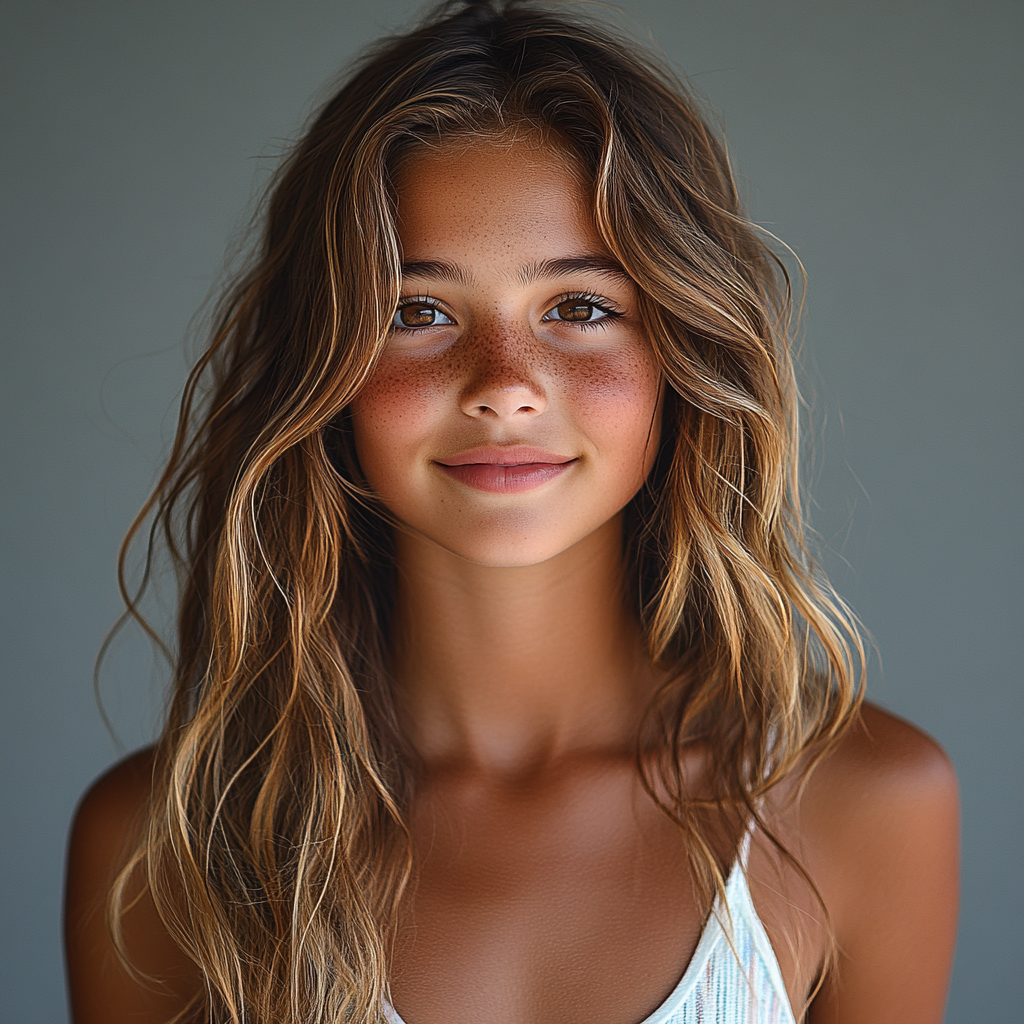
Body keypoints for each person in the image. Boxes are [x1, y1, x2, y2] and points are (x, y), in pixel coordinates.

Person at [63, 2, 959, 1022]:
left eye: (579, 309)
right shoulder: (160, 843)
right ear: (321, 370)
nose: (504, 384)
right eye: (418, 312)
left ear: (682, 356)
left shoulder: (866, 805)